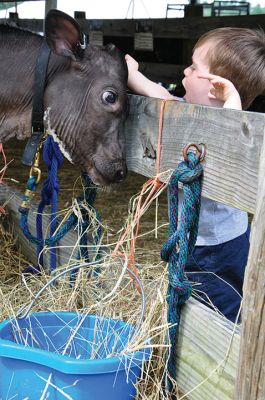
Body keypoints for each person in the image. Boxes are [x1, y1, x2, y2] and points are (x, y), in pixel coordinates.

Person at [125, 27, 265, 323]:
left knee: (221, 307)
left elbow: (235, 133)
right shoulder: (186, 112)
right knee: (208, 299)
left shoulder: (232, 125)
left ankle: (227, 350)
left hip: (214, 246)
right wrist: (132, 73)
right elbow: (159, 95)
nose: (185, 71)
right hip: (207, 239)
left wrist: (232, 101)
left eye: (193, 67)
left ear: (216, 87)